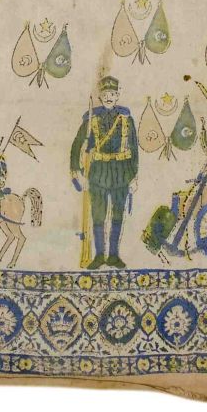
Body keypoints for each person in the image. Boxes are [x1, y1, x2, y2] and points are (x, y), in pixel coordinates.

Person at [70, 76, 138, 268]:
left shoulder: (126, 120)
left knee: (117, 215)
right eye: (105, 94)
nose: (109, 97)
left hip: (121, 173)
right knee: (98, 215)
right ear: (100, 96)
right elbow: (77, 145)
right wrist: (77, 171)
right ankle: (99, 256)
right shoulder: (91, 119)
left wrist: (134, 177)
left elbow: (134, 149)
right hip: (98, 173)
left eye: (112, 94)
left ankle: (114, 256)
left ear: (117, 96)